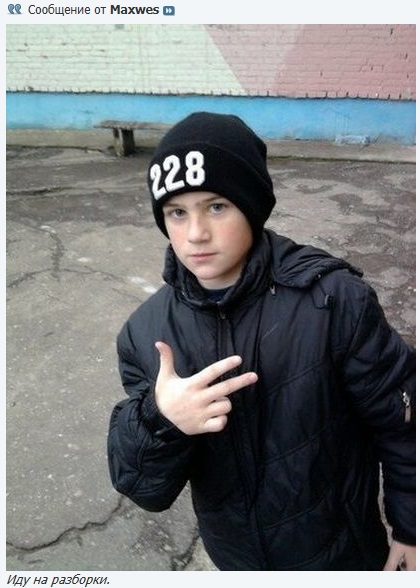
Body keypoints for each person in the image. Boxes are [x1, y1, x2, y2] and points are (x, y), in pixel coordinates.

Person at [107, 112, 415, 571]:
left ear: (251, 206)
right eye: (177, 212)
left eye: (216, 207)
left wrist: (410, 528)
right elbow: (144, 487)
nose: (196, 234)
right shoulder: (145, 334)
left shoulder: (332, 300)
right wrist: (161, 419)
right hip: (237, 560)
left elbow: (402, 422)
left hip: (342, 553)